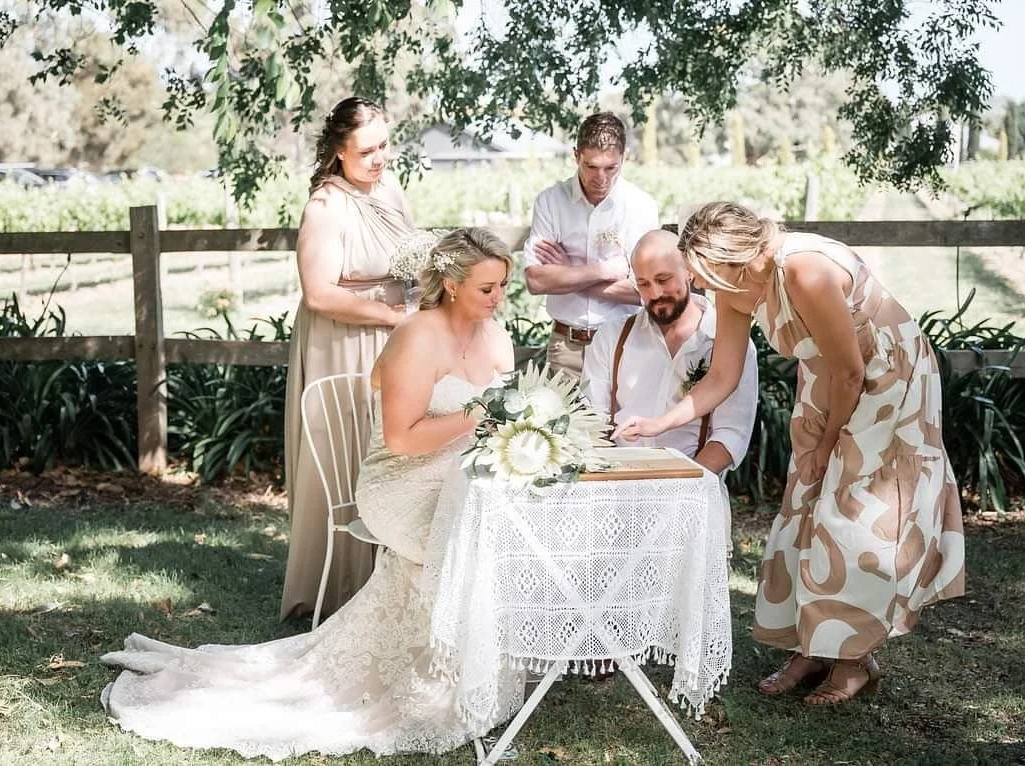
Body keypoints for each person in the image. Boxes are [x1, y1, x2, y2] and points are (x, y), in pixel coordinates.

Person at [101, 228, 526, 759]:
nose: (498, 298)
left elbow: (499, 423)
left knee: (503, 531)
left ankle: (460, 675)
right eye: (487, 288)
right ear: (451, 283)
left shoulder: (498, 338)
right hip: (403, 484)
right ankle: (438, 683)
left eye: (503, 286)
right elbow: (401, 437)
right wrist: (477, 416)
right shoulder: (419, 334)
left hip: (467, 480)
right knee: (463, 545)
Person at [615, 202, 966, 705]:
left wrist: (826, 447)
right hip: (828, 378)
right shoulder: (734, 292)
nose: (700, 289)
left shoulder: (804, 270)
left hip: (885, 379)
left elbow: (853, 371)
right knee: (805, 504)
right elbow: (721, 377)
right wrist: (658, 422)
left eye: (702, 275)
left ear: (729, 259)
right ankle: (813, 645)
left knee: (851, 513)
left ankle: (851, 662)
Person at [281, 96, 416, 622]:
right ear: (338, 152)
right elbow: (318, 294)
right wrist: (389, 317)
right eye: (367, 150)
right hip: (341, 340)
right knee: (347, 455)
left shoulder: (392, 191)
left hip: (393, 337)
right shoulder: (326, 208)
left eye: (384, 145)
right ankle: (336, 585)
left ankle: (389, 576)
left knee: (390, 450)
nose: (380, 158)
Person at [581, 229, 758, 542]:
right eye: (644, 283)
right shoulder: (612, 338)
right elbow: (591, 421)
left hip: (694, 496)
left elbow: (732, 434)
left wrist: (684, 488)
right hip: (619, 500)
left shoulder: (725, 342)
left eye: (664, 279)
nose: (654, 293)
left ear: (689, 272)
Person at [523, 111, 659, 377]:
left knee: (621, 420)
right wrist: (605, 271)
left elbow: (644, 291)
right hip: (566, 346)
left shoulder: (641, 206)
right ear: (576, 156)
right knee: (560, 418)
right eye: (591, 166)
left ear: (625, 157)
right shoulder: (550, 201)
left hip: (625, 342)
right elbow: (537, 282)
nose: (601, 178)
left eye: (611, 168)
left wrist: (568, 273)